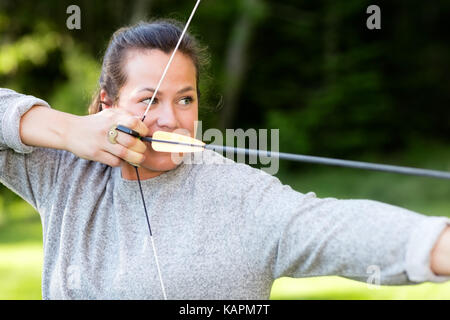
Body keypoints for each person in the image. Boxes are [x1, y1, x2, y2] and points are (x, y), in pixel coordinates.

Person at [1, 19, 450, 300]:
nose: (169, 119)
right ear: (106, 102)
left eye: (185, 99)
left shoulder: (236, 193)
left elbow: (330, 227)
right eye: (149, 99)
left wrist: (436, 243)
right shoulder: (65, 170)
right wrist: (68, 130)